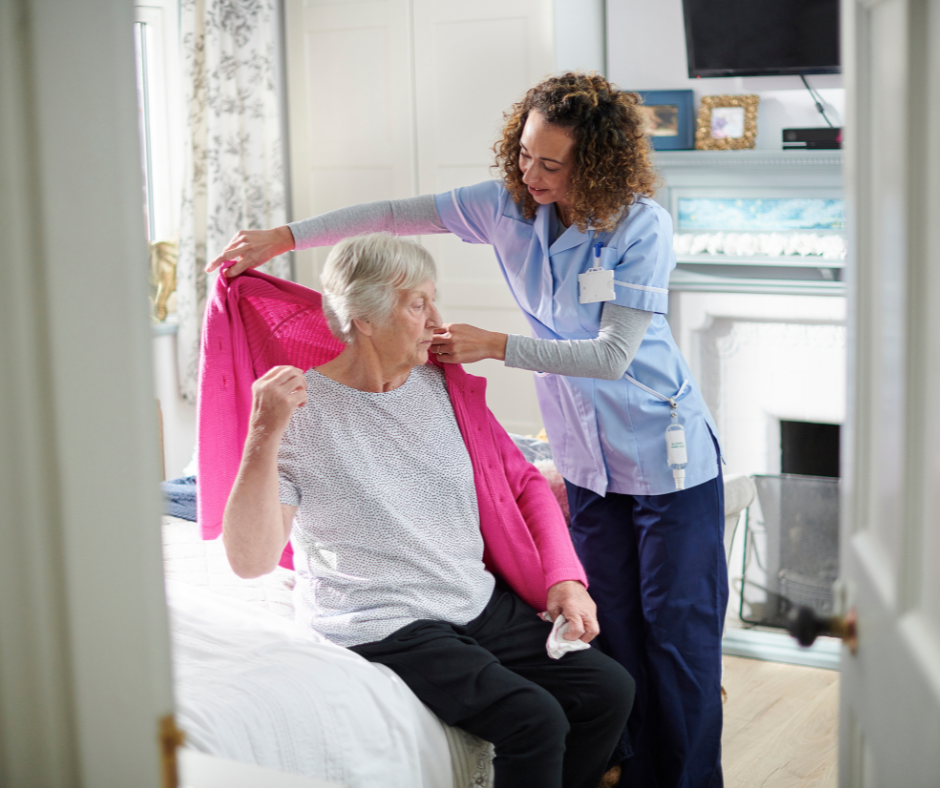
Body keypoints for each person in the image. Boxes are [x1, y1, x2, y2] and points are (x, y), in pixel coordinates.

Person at [211, 72, 727, 788]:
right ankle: (629, 776)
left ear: (596, 163)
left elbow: (613, 357)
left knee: (680, 643)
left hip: (664, 456)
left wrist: (495, 344)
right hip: (585, 460)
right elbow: (390, 214)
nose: (531, 174)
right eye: (524, 154)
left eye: (553, 164)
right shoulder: (505, 208)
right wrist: (284, 236)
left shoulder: (641, 228)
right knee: (618, 644)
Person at [222, 233, 634, 788]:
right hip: (382, 617)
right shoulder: (301, 414)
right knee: (534, 720)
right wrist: (263, 431)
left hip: (467, 597)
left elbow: (523, 483)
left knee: (608, 689)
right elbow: (250, 561)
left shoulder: (443, 384)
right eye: (418, 304)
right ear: (364, 318)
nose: (437, 319)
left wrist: (565, 578)